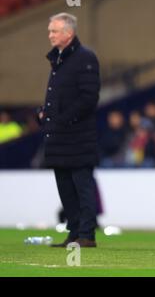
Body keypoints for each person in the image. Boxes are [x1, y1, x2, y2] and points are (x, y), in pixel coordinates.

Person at [37, 13, 100, 248]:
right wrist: (44, 113)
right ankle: (74, 232)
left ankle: (86, 234)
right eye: (50, 31)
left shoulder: (85, 58)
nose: (50, 35)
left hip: (78, 137)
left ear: (69, 33)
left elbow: (88, 98)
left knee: (82, 187)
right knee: (65, 187)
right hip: (60, 136)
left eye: (54, 31)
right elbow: (61, 97)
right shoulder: (59, 59)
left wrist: (60, 119)